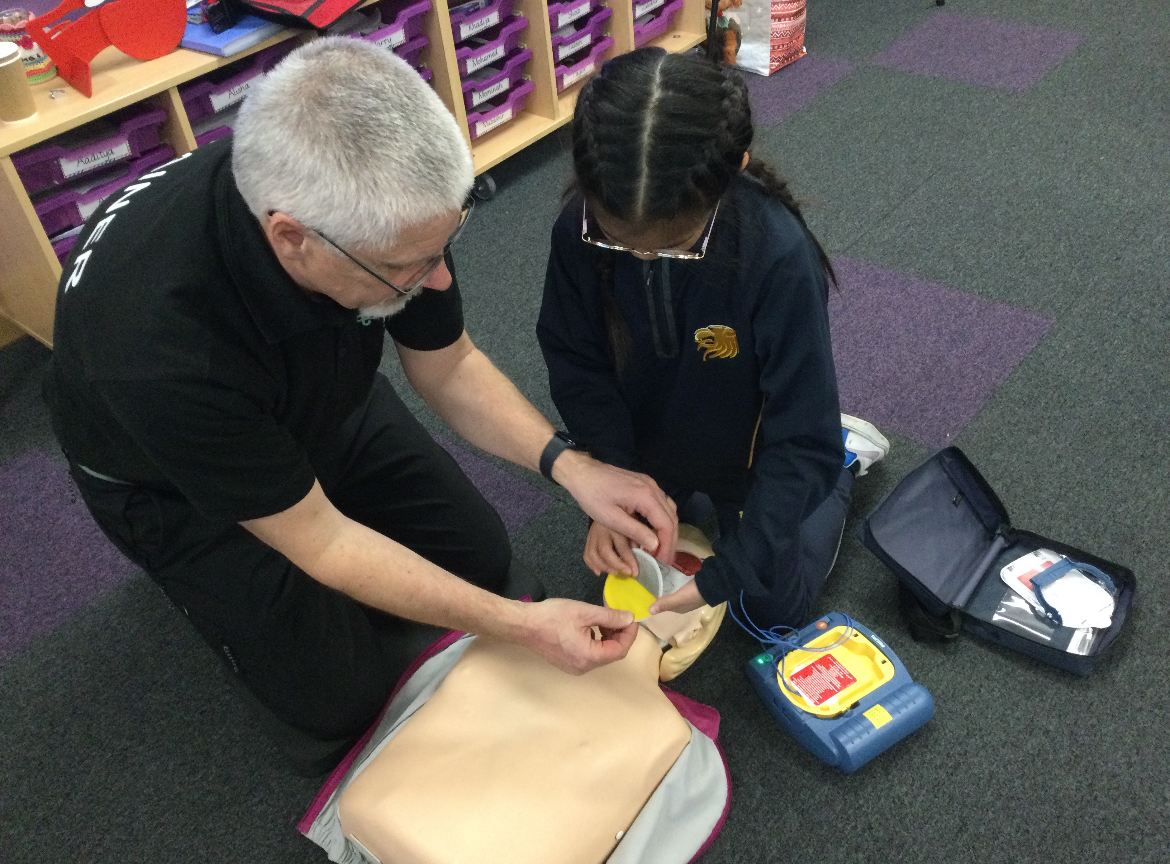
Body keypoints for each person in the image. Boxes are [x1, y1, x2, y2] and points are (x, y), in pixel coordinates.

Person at [43, 38, 679, 763]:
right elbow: (325, 540)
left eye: (446, 245)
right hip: (178, 484)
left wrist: (572, 467)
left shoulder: (379, 205)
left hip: (321, 394)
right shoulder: (157, 346)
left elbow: (450, 363)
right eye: (411, 268)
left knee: (480, 553)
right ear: (292, 240)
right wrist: (518, 626)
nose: (438, 281)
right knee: (337, 703)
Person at [536, 47, 889, 631]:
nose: (645, 257)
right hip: (645, 444)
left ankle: (846, 466)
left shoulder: (776, 256)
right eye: (620, 243)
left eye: (672, 247)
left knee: (769, 609)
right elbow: (576, 362)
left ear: (735, 170)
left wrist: (737, 564)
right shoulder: (578, 229)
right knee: (623, 577)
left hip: (754, 453)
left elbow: (801, 439)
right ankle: (678, 492)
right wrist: (609, 475)